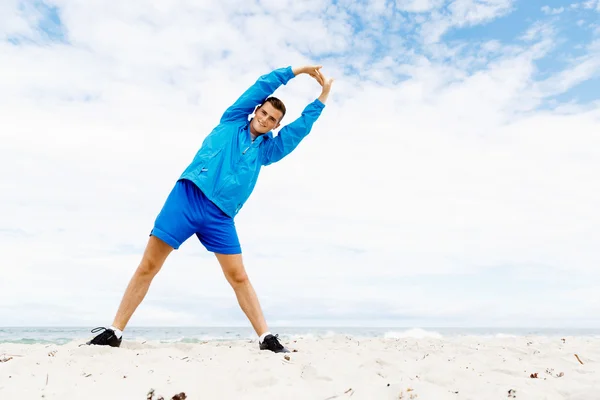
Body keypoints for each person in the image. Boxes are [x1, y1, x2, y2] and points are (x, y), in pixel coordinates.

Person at [86, 65, 334, 353]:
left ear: (276, 125)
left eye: (273, 119)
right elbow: (261, 86)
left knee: (238, 276)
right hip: (187, 199)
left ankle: (265, 337)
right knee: (149, 266)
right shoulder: (231, 121)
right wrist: (297, 71)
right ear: (255, 111)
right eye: (263, 113)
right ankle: (115, 331)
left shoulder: (268, 151)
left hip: (220, 217)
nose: (265, 119)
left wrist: (324, 95)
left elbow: (300, 130)